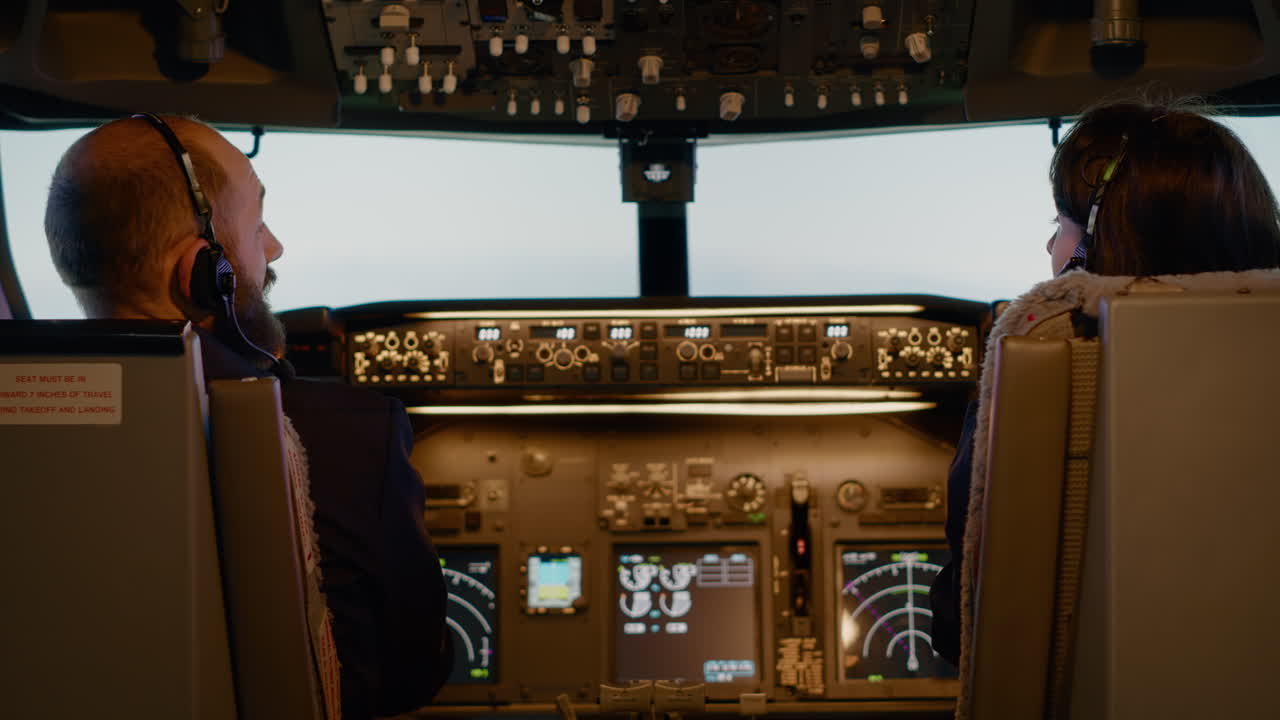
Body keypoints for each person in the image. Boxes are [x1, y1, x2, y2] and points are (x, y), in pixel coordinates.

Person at [43, 115, 452, 719]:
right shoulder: (342, 437)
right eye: (257, 224)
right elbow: (406, 677)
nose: (274, 247)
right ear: (204, 273)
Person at [928, 99, 1280, 665]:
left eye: (1059, 227)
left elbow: (961, 623)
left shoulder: (1038, 363)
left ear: (1092, 248)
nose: (1051, 247)